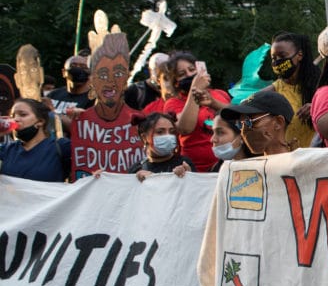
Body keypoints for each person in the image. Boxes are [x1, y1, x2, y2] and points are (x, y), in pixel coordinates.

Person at [66, 33, 144, 179]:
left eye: (118, 73)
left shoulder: (141, 121)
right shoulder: (81, 121)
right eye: (103, 74)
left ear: (126, 80)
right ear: (92, 81)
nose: (110, 82)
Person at [164, 51, 230, 172]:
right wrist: (195, 90)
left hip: (226, 165)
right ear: (175, 82)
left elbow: (235, 117)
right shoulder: (173, 103)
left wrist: (213, 103)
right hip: (195, 170)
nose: (189, 75)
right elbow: (185, 128)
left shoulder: (220, 94)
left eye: (191, 69)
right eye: (182, 74)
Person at [261, 32, 319, 148]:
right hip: (285, 161)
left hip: (316, 158)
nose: (277, 61)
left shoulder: (320, 85)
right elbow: (245, 106)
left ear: (300, 55)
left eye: (282, 56)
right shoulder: (273, 91)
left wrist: (318, 107)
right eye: (273, 58)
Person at [0, 98, 70, 182]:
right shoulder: (6, 149)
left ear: (40, 121)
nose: (16, 119)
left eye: (23, 115)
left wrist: (82, 118)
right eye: (13, 116)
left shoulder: (60, 146)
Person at [221, 91, 295, 156]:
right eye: (240, 124)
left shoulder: (297, 167)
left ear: (278, 123)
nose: (244, 131)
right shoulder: (249, 168)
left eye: (249, 122)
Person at [128, 112, 194, 182]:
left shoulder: (184, 164)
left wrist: (189, 176)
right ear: (144, 138)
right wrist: (136, 181)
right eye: (160, 132)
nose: (168, 136)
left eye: (171, 132)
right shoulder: (136, 170)